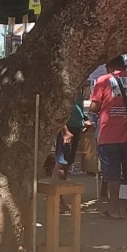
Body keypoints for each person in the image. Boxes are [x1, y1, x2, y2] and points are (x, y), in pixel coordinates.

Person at [90, 55, 127, 219]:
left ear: (109, 67)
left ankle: (114, 208)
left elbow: (93, 107)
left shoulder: (103, 80)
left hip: (109, 135)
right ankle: (125, 208)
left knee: (112, 174)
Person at [52, 87, 90, 211]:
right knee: (61, 163)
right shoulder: (65, 88)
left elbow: (78, 108)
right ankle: (57, 200)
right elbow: (57, 111)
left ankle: (58, 197)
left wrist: (85, 118)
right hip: (66, 129)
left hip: (76, 127)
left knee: (67, 163)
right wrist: (65, 131)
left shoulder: (78, 88)